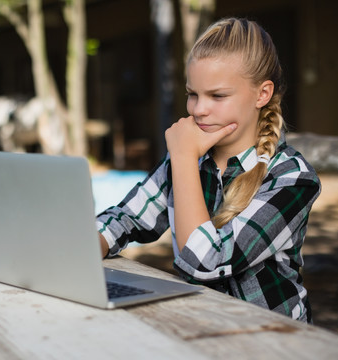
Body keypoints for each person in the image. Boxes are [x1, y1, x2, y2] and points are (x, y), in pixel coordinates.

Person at [96, 18, 321, 323]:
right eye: (192, 94)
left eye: (217, 96)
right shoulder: (187, 159)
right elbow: (125, 219)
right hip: (203, 324)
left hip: (272, 338)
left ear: (262, 94)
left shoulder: (292, 178)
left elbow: (204, 263)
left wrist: (185, 158)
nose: (198, 109)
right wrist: (85, 244)